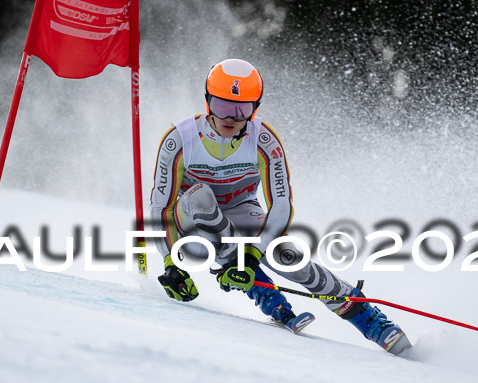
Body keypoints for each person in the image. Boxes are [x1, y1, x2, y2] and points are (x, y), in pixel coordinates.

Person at [150, 58, 410, 354]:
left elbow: (281, 204)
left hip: (239, 209)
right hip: (192, 228)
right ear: (208, 101)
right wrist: (170, 262)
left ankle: (367, 317)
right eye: (222, 106)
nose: (231, 117)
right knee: (201, 197)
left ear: (255, 108)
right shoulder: (179, 140)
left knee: (286, 256)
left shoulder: (263, 139)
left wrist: (252, 253)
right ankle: (259, 287)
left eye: (242, 109)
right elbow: (162, 208)